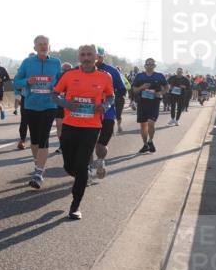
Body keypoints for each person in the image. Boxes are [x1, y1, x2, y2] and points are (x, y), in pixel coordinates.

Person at [52, 44, 115, 220]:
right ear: (79, 57)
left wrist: (104, 106)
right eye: (83, 55)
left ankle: (75, 206)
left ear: (96, 57)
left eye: (89, 55)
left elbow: (111, 96)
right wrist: (66, 104)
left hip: (91, 127)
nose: (86, 58)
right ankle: (82, 174)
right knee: (69, 166)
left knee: (80, 166)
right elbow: (54, 95)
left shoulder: (105, 77)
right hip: (70, 125)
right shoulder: (69, 75)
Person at [13, 36, 63, 189]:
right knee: (34, 140)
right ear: (35, 47)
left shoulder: (56, 62)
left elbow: (60, 82)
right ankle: (38, 165)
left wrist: (58, 89)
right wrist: (27, 82)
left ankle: (39, 173)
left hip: (49, 106)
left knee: (43, 137)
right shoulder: (27, 62)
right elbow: (16, 82)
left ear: (49, 46)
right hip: (31, 105)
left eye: (45, 44)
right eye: (40, 44)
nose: (43, 46)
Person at [91, 47, 126, 180]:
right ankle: (88, 172)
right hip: (88, 113)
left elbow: (122, 90)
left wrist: (106, 94)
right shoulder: (81, 70)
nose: (96, 59)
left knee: (101, 145)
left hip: (107, 113)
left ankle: (100, 161)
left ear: (103, 57)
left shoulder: (112, 71)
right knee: (88, 144)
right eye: (94, 56)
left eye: (99, 56)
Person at [131, 58, 168, 153]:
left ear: (155, 66)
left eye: (151, 64)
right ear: (145, 66)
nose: (149, 66)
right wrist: (142, 87)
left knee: (151, 123)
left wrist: (160, 93)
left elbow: (167, 88)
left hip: (154, 103)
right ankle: (145, 144)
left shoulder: (159, 76)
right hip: (142, 103)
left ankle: (150, 140)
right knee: (143, 126)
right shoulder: (139, 76)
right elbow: (134, 90)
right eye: (148, 64)